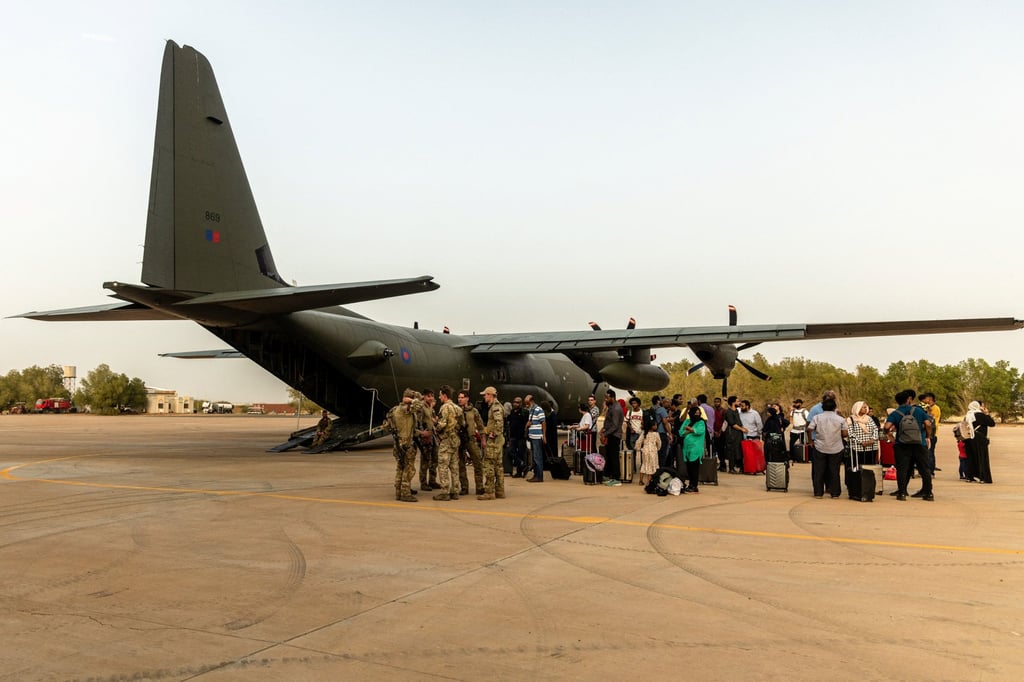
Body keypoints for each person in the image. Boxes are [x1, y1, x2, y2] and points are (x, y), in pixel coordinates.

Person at [882, 389, 934, 501]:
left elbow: (886, 427)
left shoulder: (895, 413)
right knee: (924, 468)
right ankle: (928, 493)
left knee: (902, 469)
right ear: (909, 400)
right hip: (920, 443)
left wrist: (889, 436)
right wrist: (927, 436)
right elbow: (928, 424)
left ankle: (902, 493)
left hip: (902, 444)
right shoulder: (919, 411)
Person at [806, 397, 847, 498]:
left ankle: (818, 493)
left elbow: (809, 429)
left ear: (823, 407)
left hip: (820, 446)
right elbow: (845, 433)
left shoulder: (817, 417)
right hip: (836, 447)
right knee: (834, 471)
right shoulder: (840, 419)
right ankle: (835, 493)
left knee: (819, 471)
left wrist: (811, 441)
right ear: (834, 408)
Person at [385, 389, 418, 502]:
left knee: (400, 467)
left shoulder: (394, 410)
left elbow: (386, 426)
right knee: (409, 469)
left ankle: (398, 492)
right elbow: (419, 406)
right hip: (406, 443)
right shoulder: (406, 409)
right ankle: (405, 493)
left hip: (398, 443)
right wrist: (413, 400)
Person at [431, 386, 462, 501]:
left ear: (444, 395)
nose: (439, 397)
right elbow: (461, 423)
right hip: (455, 440)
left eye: (440, 395)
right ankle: (455, 491)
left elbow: (442, 424)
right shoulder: (457, 408)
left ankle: (445, 492)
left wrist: (436, 425)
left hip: (446, 440)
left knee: (443, 466)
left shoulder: (445, 408)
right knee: (454, 467)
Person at [477, 386, 506, 500]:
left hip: (494, 441)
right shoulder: (496, 406)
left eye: (485, 395)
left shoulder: (495, 407)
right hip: (498, 441)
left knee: (489, 465)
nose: (484, 397)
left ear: (490, 395)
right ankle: (500, 491)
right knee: (498, 466)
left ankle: (489, 491)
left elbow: (499, 422)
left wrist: (494, 433)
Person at [457, 390, 485, 496]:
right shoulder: (456, 410)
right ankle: (464, 487)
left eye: (462, 397)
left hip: (471, 439)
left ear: (467, 398)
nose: (460, 399)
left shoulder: (474, 411)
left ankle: (479, 486)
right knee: (461, 464)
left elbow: (480, 425)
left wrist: (483, 439)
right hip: (459, 440)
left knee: (478, 462)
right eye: (459, 397)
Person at [962, 400, 996, 484]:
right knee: (981, 457)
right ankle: (983, 477)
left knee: (971, 457)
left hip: (969, 438)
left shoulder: (968, 415)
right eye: (982, 406)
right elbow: (992, 423)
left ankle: (969, 476)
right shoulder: (980, 415)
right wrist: (987, 414)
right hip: (979, 438)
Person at [416, 389, 439, 490]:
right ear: (424, 397)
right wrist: (422, 435)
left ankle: (432, 481)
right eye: (428, 396)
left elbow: (432, 420)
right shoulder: (421, 407)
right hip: (425, 437)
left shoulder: (430, 407)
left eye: (432, 396)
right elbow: (418, 422)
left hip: (432, 436)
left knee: (435, 459)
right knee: (425, 460)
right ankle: (423, 483)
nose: (431, 398)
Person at [679, 405, 706, 492]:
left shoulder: (701, 422)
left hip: (696, 448)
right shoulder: (687, 421)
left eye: (699, 413)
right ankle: (690, 484)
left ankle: (694, 485)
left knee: (694, 467)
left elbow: (698, 431)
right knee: (689, 468)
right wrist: (689, 430)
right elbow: (681, 432)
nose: (697, 415)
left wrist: (689, 429)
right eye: (695, 413)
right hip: (687, 448)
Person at [600, 389, 624, 484]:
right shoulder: (612, 407)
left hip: (614, 436)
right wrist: (604, 428)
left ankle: (616, 478)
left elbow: (615, 425)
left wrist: (605, 434)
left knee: (614, 457)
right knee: (609, 456)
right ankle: (609, 475)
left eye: (607, 397)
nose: (605, 399)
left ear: (612, 397)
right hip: (610, 435)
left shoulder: (616, 409)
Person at [847, 401, 880, 467]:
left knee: (870, 467)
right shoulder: (851, 419)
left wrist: (872, 439)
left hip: (871, 447)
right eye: (863, 407)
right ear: (858, 408)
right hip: (858, 448)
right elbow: (851, 433)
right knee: (859, 466)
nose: (865, 409)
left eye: (866, 407)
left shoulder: (869, 418)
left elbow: (875, 429)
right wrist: (861, 442)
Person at [524, 394, 546, 482]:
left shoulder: (538, 410)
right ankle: (536, 475)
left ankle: (539, 476)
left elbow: (543, 422)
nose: (526, 405)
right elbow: (530, 422)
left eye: (527, 403)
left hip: (537, 436)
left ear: (531, 401)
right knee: (534, 457)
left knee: (537, 456)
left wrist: (544, 435)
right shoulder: (531, 410)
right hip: (532, 436)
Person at [634, 420, 661, 486]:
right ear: (652, 426)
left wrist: (638, 448)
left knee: (644, 464)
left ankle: (640, 480)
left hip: (645, 450)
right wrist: (657, 448)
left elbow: (639, 441)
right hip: (653, 451)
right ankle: (649, 482)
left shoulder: (644, 433)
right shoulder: (656, 434)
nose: (656, 426)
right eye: (655, 425)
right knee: (651, 466)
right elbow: (659, 443)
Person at [920, 392, 941, 474]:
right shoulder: (926, 408)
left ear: (931, 400)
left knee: (930, 453)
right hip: (927, 433)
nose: (926, 401)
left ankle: (930, 471)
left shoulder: (935, 408)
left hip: (932, 434)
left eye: (928, 399)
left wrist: (927, 411)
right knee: (926, 453)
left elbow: (931, 420)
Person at [507, 397, 528, 478]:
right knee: (511, 451)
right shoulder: (512, 412)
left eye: (518, 402)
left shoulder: (524, 412)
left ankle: (519, 472)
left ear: (521, 404)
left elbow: (527, 423)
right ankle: (522, 464)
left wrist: (526, 433)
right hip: (513, 436)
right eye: (515, 402)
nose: (516, 404)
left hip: (521, 436)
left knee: (521, 453)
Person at [722, 396, 744, 473]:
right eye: (737, 401)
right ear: (733, 402)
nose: (739, 403)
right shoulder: (729, 412)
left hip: (738, 434)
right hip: (732, 434)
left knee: (739, 450)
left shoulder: (736, 411)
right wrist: (742, 429)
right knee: (732, 451)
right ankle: (731, 468)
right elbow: (732, 424)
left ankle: (739, 467)